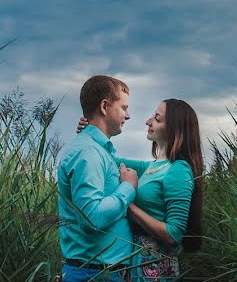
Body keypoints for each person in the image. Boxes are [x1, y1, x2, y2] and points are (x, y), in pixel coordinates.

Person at [77, 98, 204, 282]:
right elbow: (110, 158)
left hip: (155, 271)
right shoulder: (152, 167)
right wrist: (91, 130)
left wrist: (127, 203)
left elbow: (173, 234)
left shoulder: (179, 170)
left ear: (174, 129)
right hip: (135, 264)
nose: (148, 121)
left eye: (157, 119)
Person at [57, 75, 140, 282]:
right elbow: (92, 217)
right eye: (123, 107)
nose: (128, 116)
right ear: (104, 106)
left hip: (101, 272)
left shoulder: (98, 150)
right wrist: (128, 188)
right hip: (94, 273)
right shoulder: (88, 152)